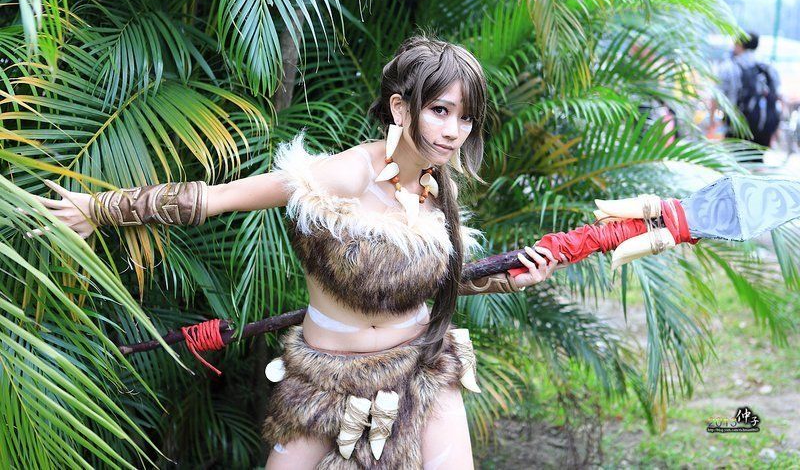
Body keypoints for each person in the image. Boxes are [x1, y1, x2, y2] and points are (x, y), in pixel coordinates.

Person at [26, 36, 562, 469]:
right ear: (401, 108)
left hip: (422, 370)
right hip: (326, 381)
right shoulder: (346, 175)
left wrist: (503, 279)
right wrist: (100, 209)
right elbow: (216, 198)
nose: (453, 131)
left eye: (465, 118)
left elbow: (420, 285)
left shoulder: (436, 189)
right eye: (440, 110)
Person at [715, 32, 782, 153]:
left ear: (739, 44)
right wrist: (776, 127)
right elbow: (778, 96)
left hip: (737, 125)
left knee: (735, 159)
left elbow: (717, 96)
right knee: (756, 159)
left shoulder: (730, 66)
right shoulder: (769, 66)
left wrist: (713, 122)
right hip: (764, 127)